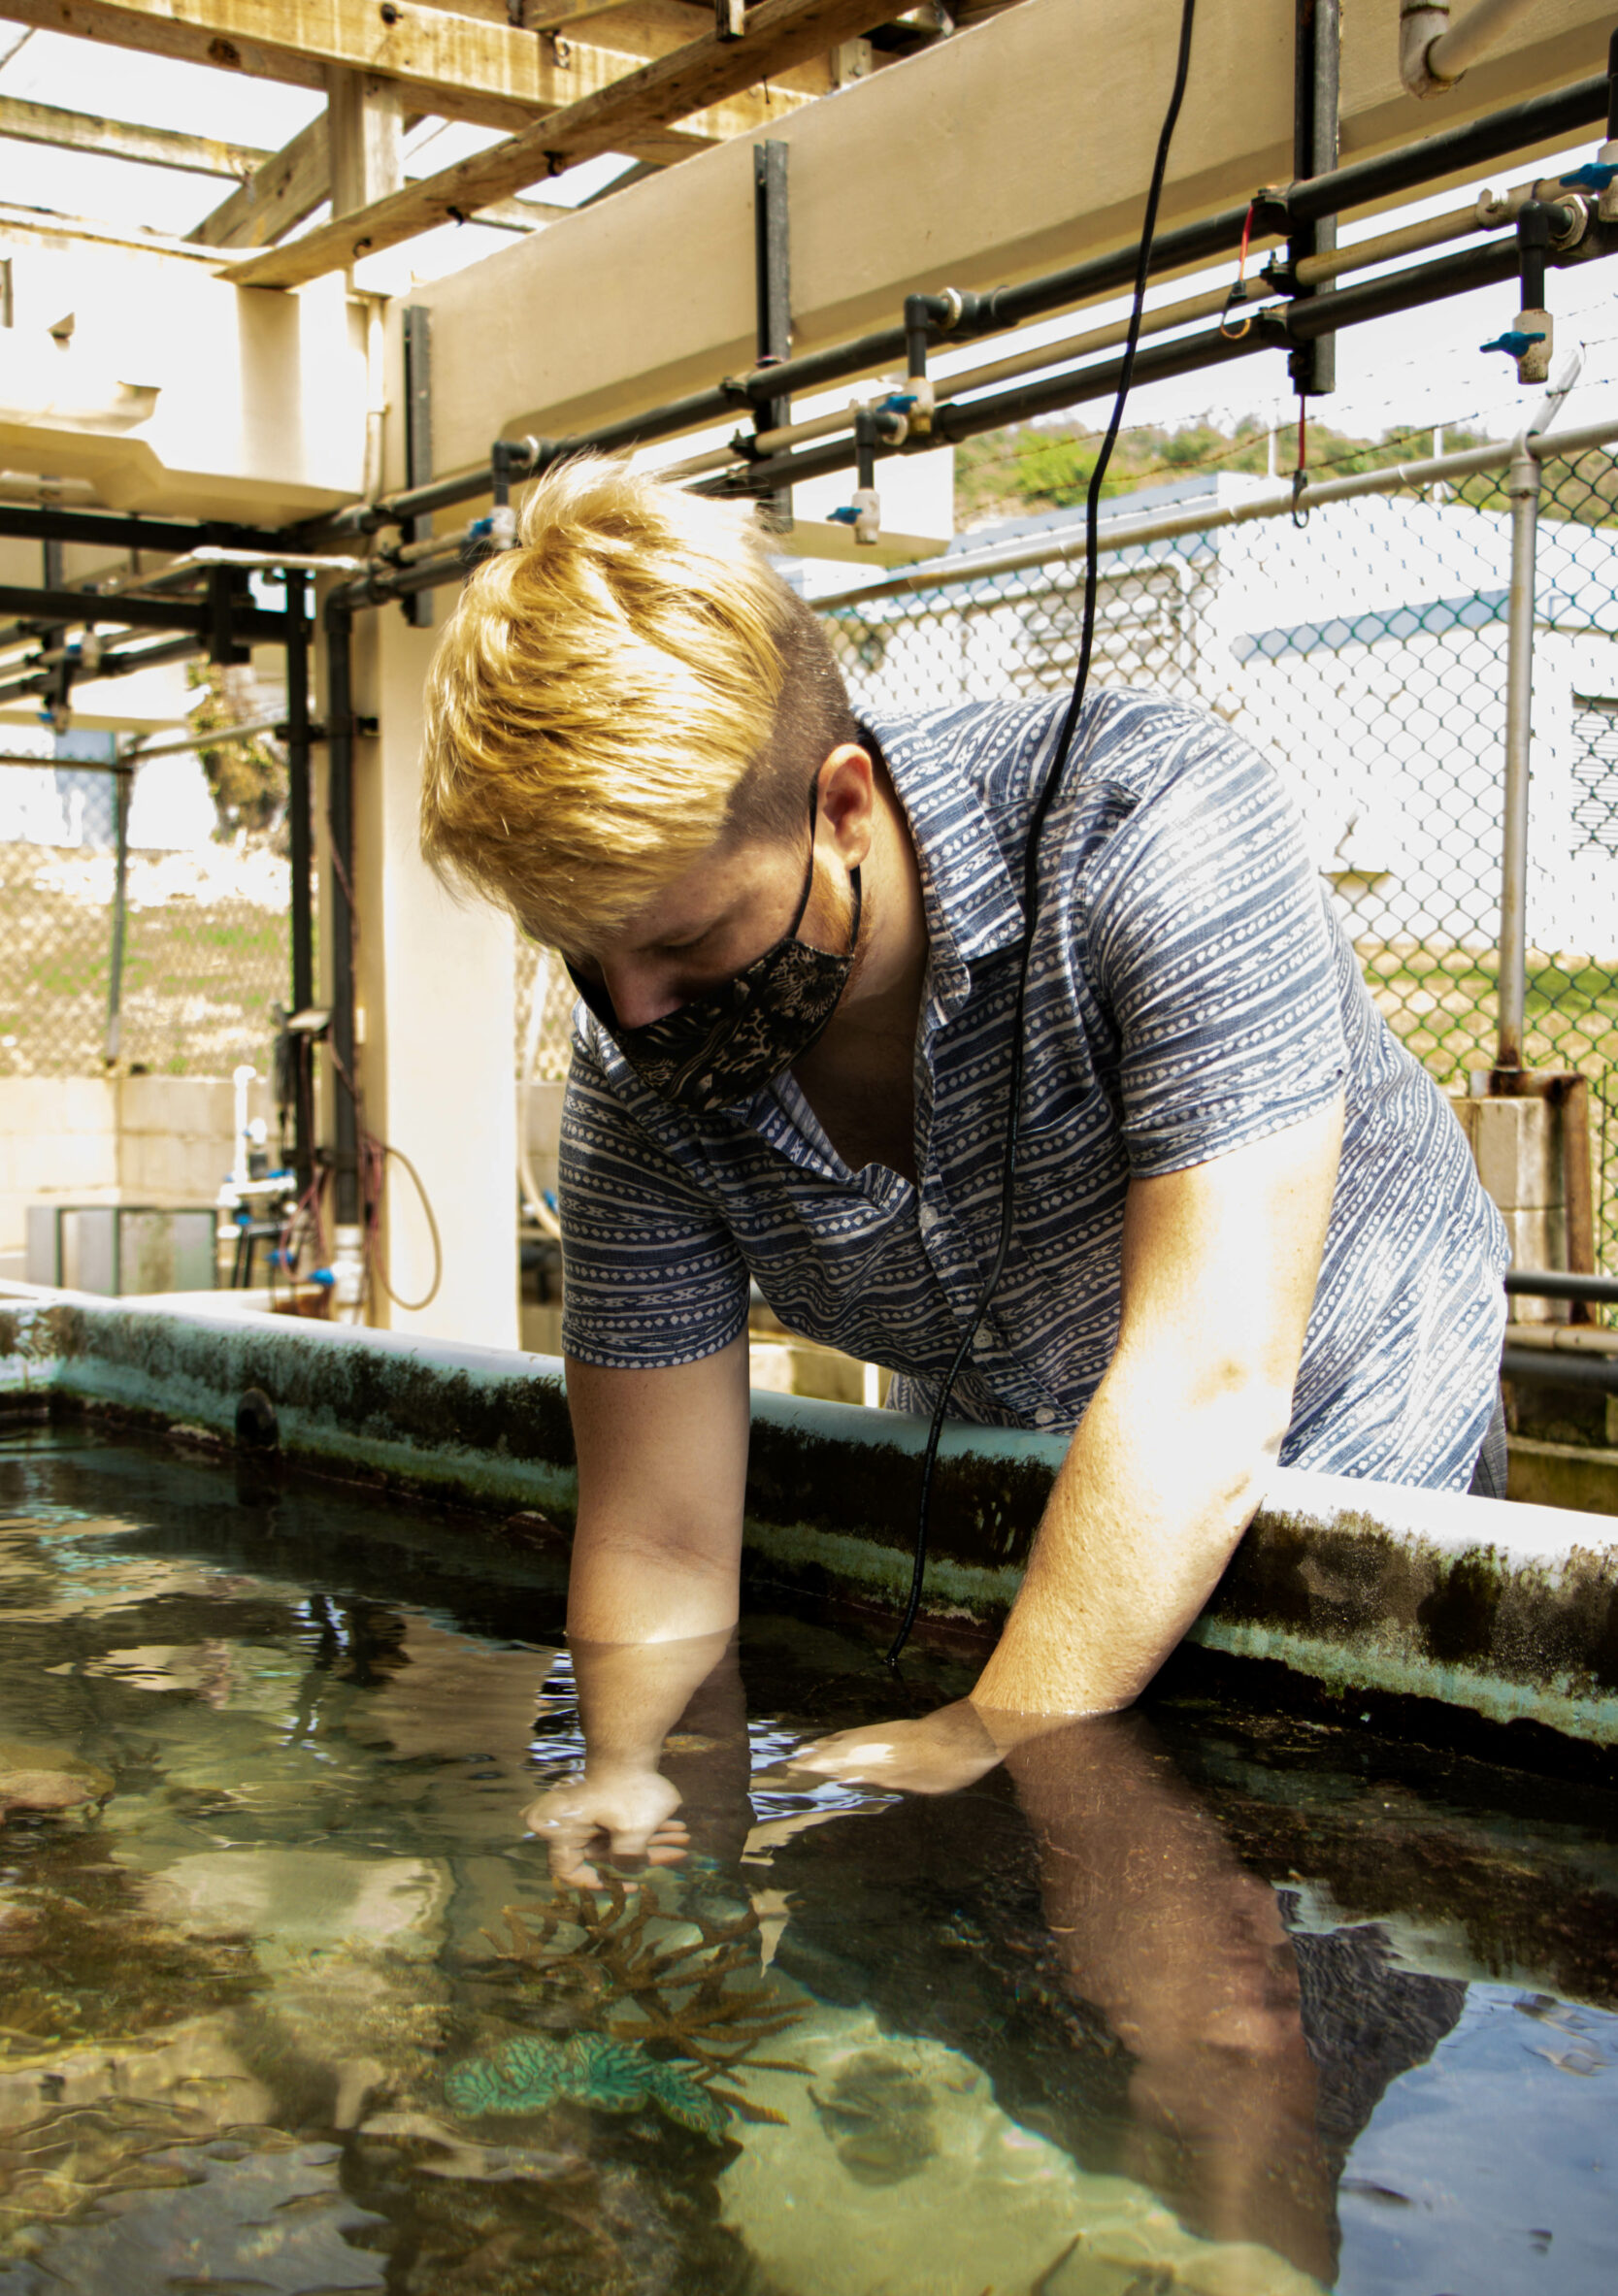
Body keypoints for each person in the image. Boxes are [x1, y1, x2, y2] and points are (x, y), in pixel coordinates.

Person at [419, 454, 1506, 1820]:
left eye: (686, 942)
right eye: (587, 955)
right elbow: (658, 1524)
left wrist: (994, 1724)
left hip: (1344, 1422)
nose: (636, 1012)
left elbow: (1209, 1386)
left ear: (843, 807)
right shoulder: (639, 1064)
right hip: (1025, 1461)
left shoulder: (1154, 832)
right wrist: (627, 1769)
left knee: (1275, 1894)